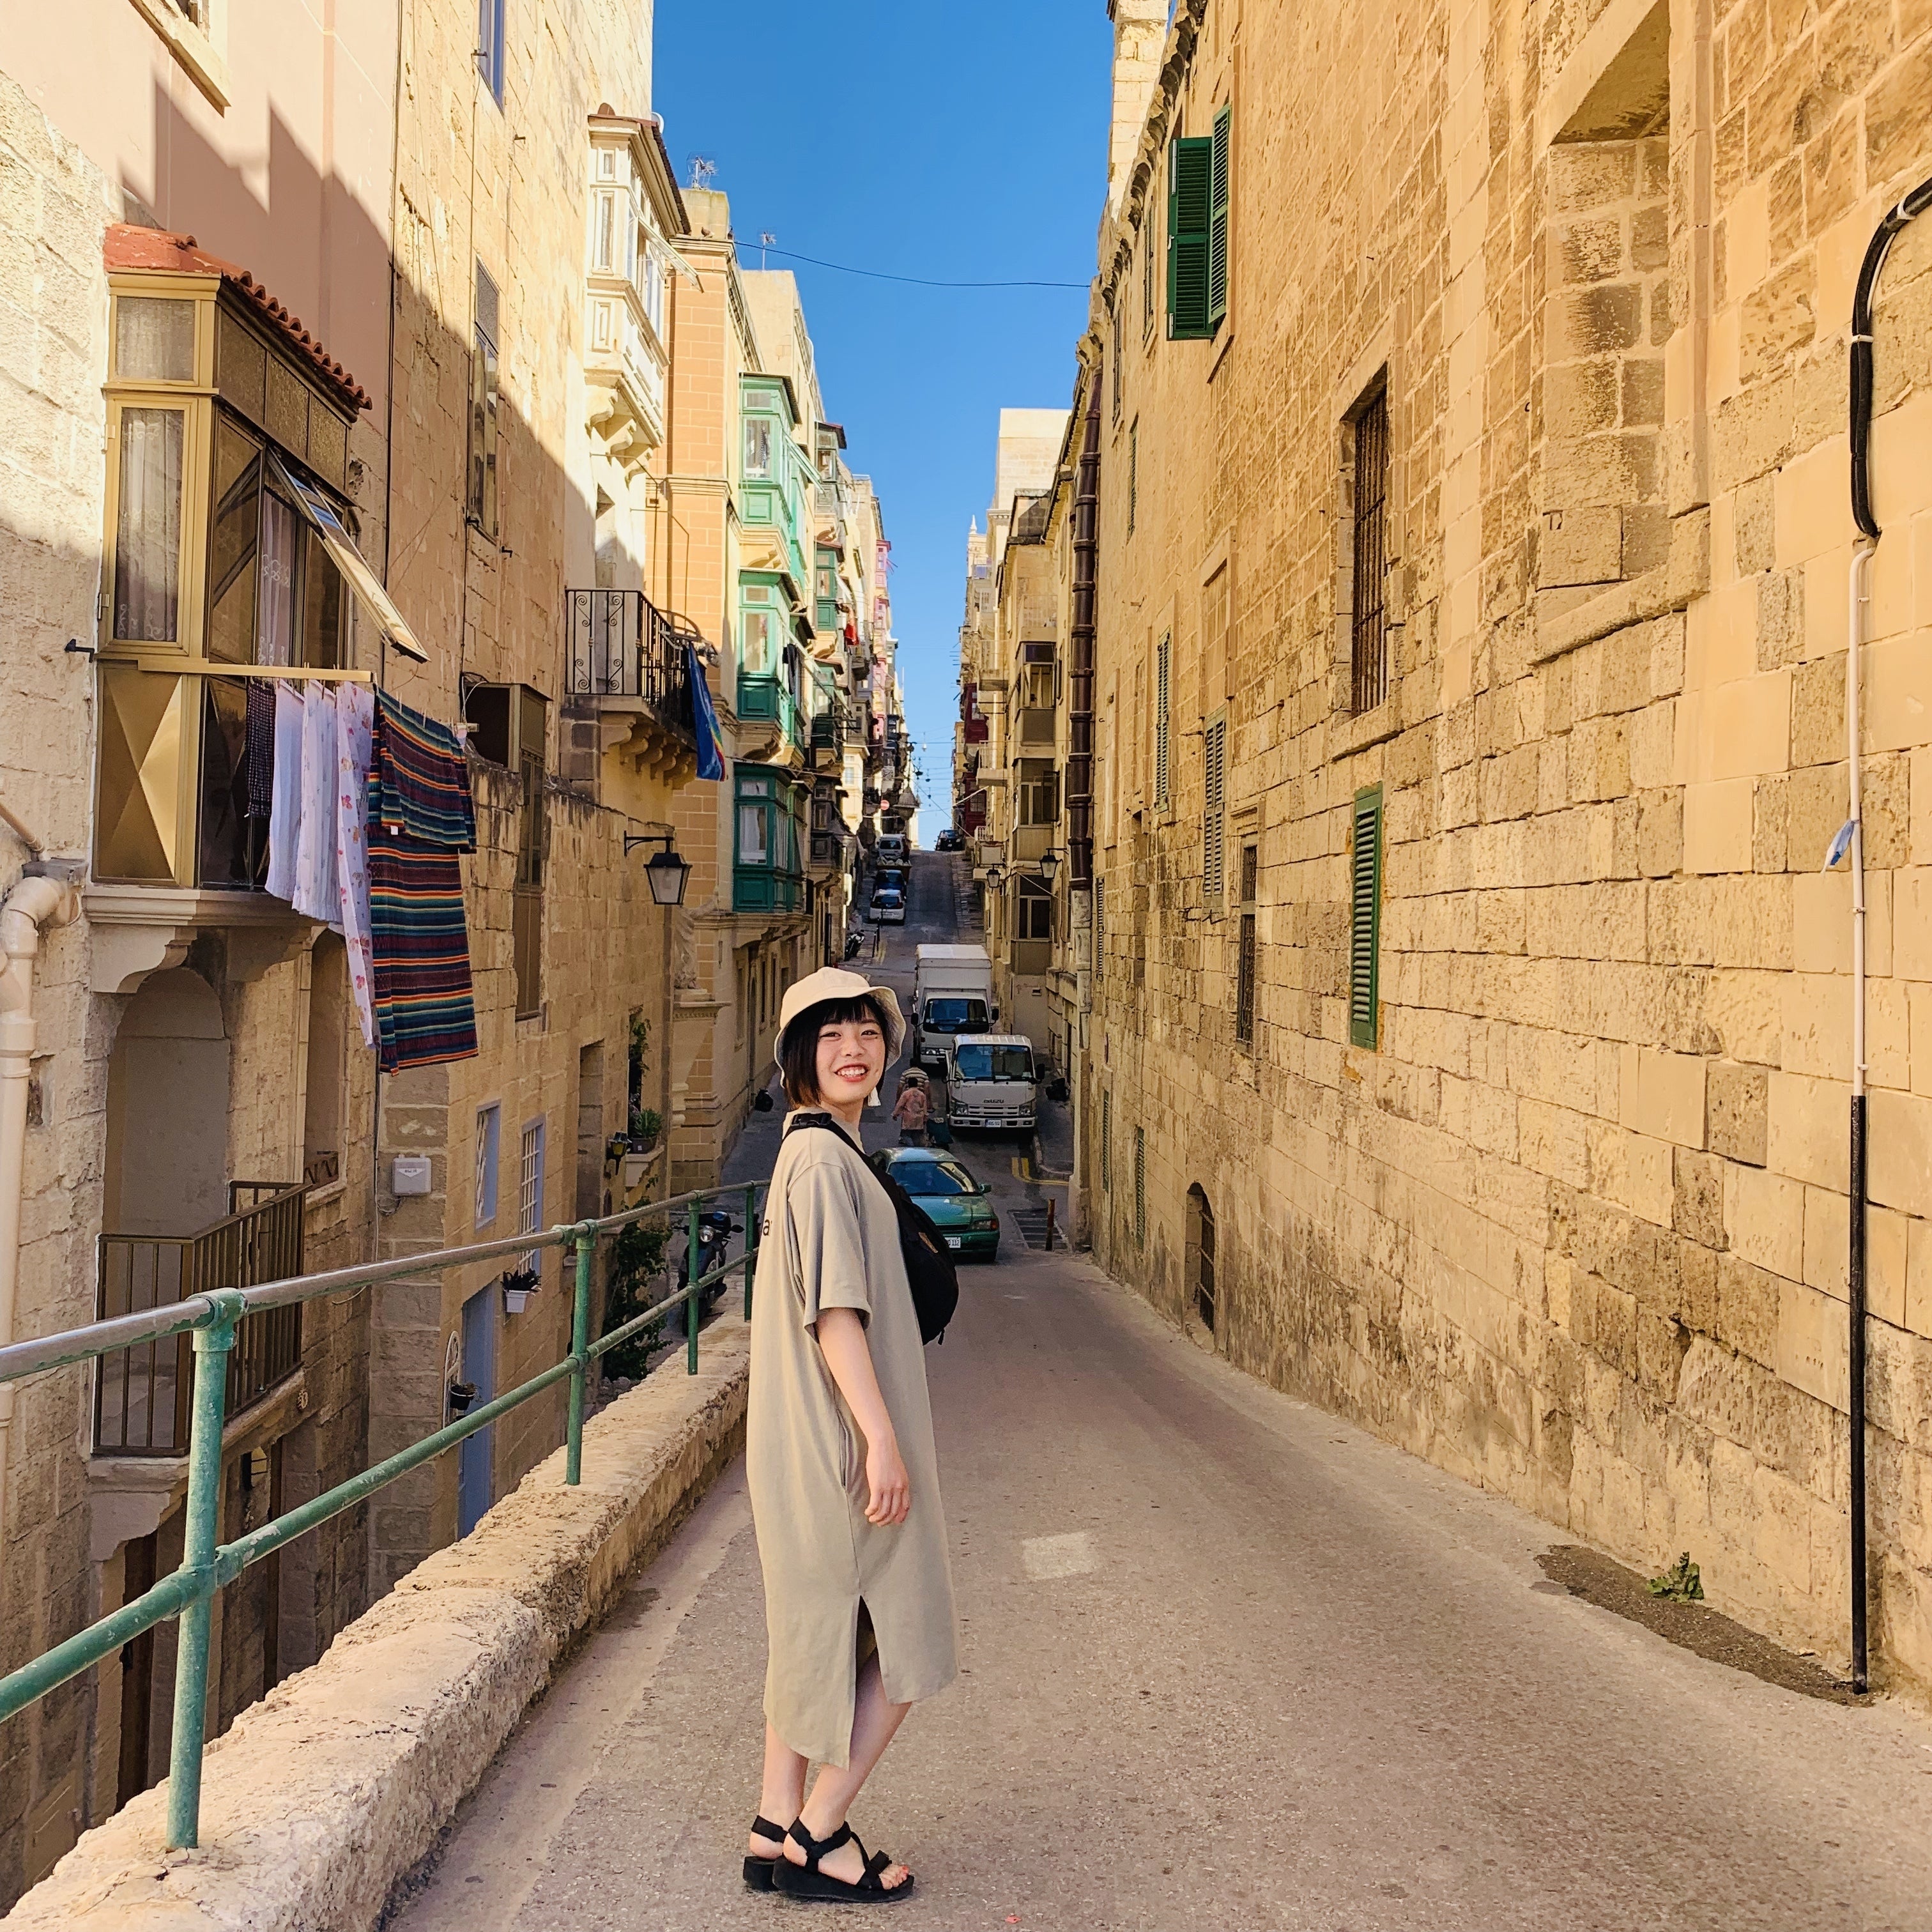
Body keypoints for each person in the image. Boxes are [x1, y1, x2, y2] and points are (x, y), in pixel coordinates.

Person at [742, 967, 958, 1905]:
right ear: (800, 1054)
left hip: (799, 1444)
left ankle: (771, 1820)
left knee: (815, 1635)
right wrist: (882, 1440)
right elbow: (835, 1313)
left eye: (866, 1032)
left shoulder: (810, 1149)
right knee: (910, 1633)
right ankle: (820, 1833)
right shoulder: (827, 1164)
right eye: (829, 1035)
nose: (852, 1049)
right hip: (839, 1446)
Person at [890, 1073, 929, 1147]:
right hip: (919, 1119)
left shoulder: (906, 1094)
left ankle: (912, 1147)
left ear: (908, 1084)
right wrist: (925, 1118)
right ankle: (916, 1149)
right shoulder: (922, 1095)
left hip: (908, 1118)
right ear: (917, 1084)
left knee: (905, 1135)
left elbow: (900, 1105)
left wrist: (895, 1114)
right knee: (916, 1137)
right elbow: (925, 1108)